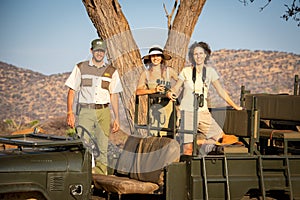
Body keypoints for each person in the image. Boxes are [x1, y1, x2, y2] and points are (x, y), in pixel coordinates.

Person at [167, 41, 243, 155]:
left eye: (201, 53)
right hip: (188, 112)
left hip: (204, 113)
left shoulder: (210, 72)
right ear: (192, 57)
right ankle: (188, 168)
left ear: (206, 55)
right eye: (195, 54)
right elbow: (176, 88)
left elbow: (221, 91)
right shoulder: (186, 72)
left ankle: (198, 142)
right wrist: (169, 93)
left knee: (223, 139)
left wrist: (235, 106)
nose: (198, 56)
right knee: (187, 149)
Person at [65, 38, 123, 174]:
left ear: (105, 52)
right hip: (85, 111)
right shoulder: (81, 67)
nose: (99, 53)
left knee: (103, 146)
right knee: (82, 144)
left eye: (102, 51)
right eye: (97, 51)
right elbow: (71, 91)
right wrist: (70, 113)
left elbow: (113, 95)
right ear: (91, 51)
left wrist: (117, 118)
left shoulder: (112, 71)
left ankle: (101, 177)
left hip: (104, 111)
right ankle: (80, 175)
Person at [136, 45, 179, 137]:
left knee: (169, 136)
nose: (156, 58)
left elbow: (181, 81)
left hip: (169, 109)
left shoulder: (169, 71)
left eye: (158, 56)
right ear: (150, 58)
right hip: (155, 110)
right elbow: (138, 91)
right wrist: (153, 90)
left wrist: (172, 91)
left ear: (162, 58)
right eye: (153, 56)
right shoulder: (146, 74)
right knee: (155, 136)